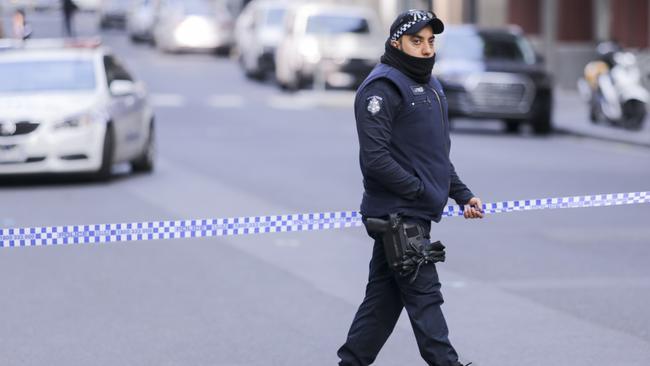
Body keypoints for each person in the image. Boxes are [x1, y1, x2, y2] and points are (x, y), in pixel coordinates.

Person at [337, 10, 483, 366]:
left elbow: (431, 155)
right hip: (398, 215)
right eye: (416, 41)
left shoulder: (431, 86)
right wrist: (420, 190)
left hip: (414, 211)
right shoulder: (382, 88)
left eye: (430, 41)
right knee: (425, 297)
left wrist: (462, 194)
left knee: (382, 303)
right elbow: (376, 160)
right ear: (396, 42)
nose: (425, 48)